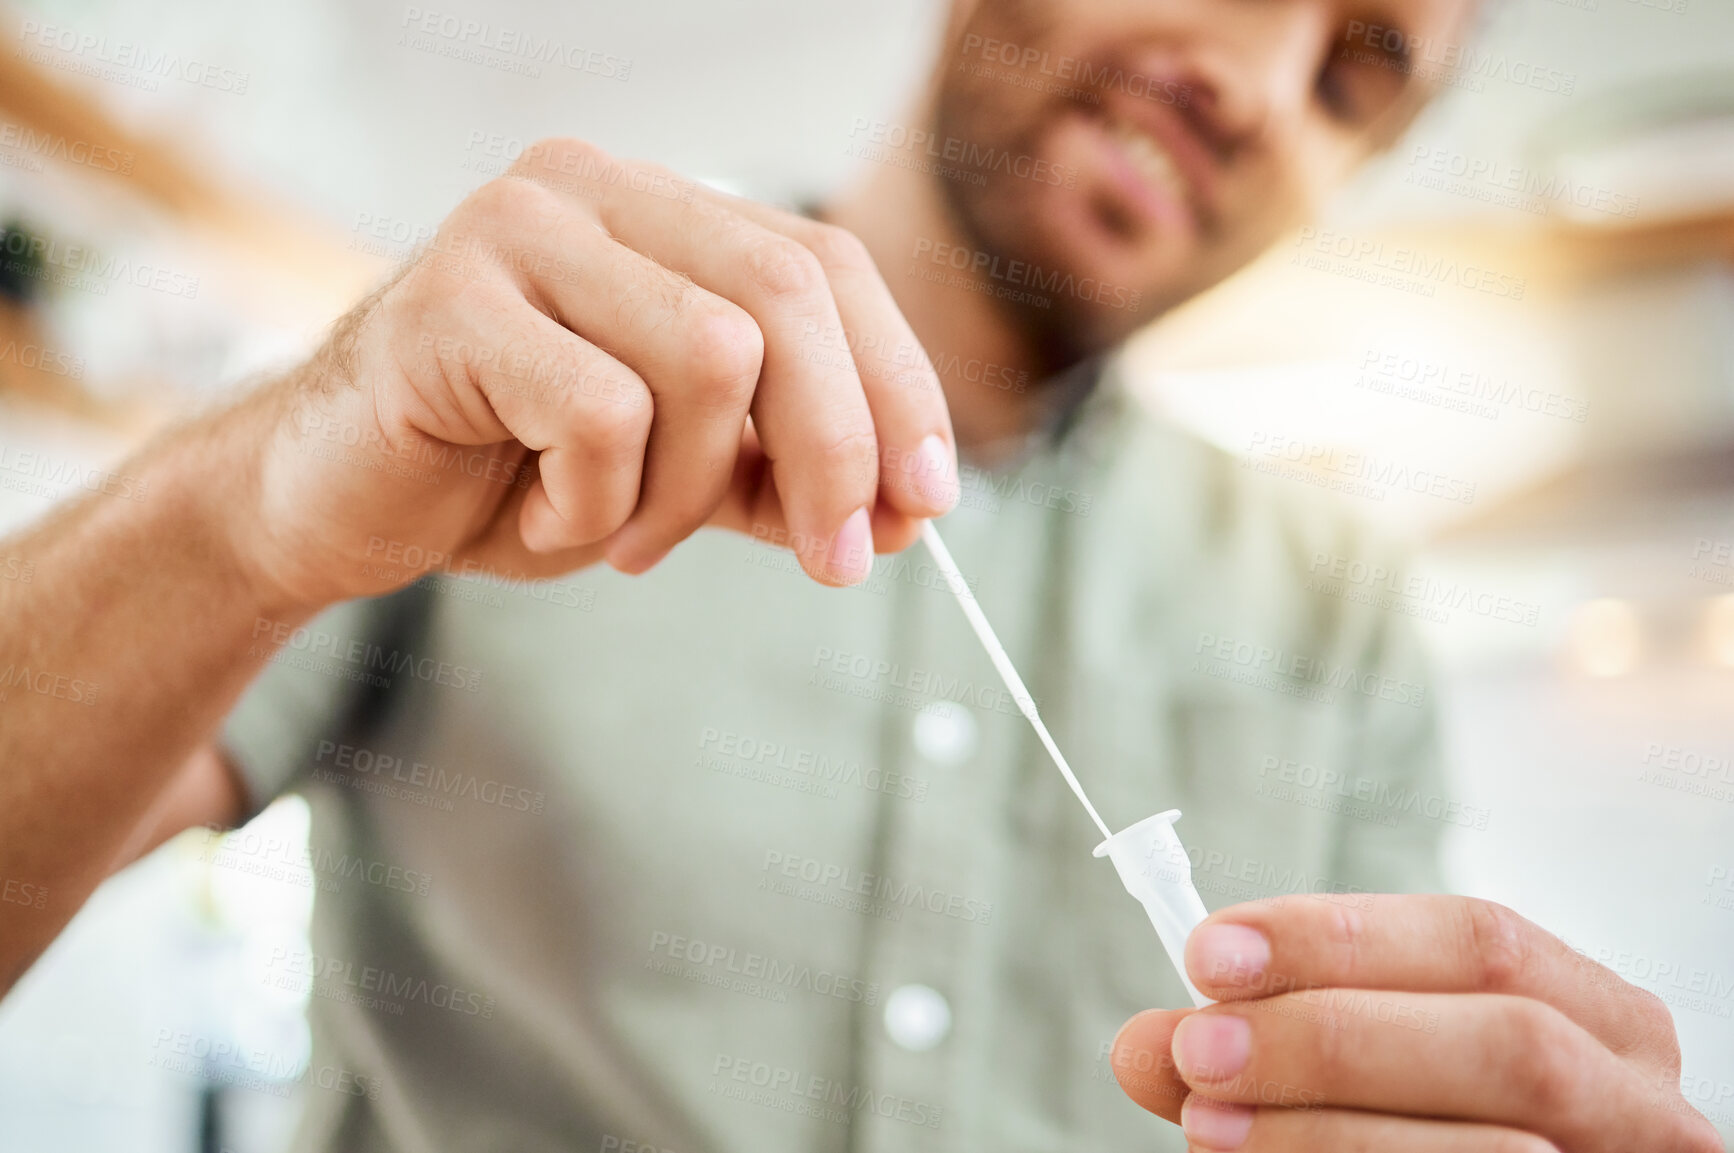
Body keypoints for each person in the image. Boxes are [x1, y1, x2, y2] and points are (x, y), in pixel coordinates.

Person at [0, 0, 1719, 1149]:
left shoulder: (1332, 612)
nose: (1259, 81)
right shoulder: (496, 388)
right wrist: (245, 508)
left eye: (1353, 74)